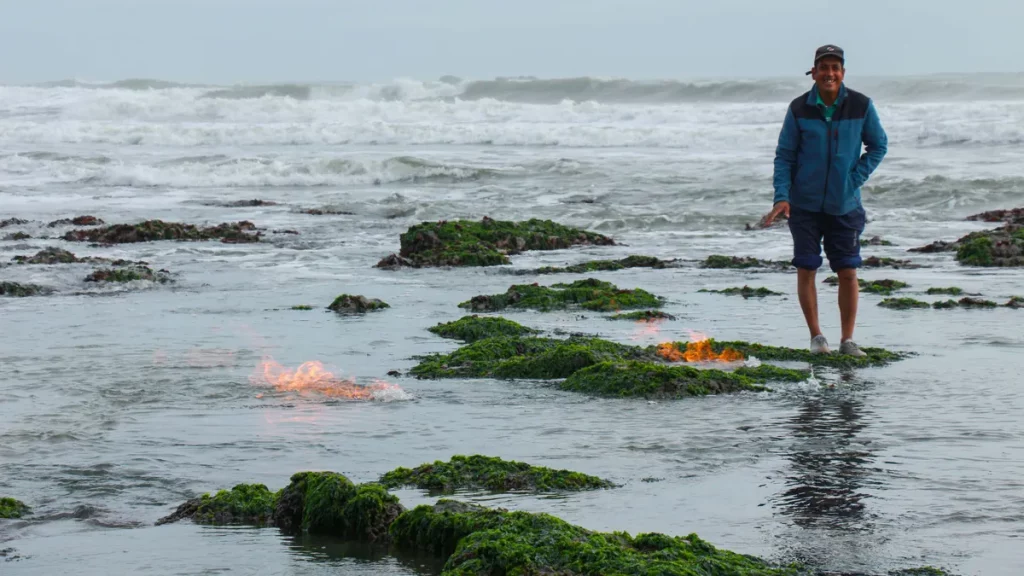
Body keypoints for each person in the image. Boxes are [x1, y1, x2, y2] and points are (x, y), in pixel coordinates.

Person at [762, 45, 888, 356]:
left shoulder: (860, 105)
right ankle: (817, 337)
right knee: (806, 268)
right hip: (804, 205)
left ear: (842, 72)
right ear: (814, 72)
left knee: (847, 270)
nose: (829, 73)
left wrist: (853, 179)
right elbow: (785, 156)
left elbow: (878, 145)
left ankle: (847, 340)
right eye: (824, 67)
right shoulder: (799, 108)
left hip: (845, 206)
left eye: (835, 67)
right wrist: (782, 196)